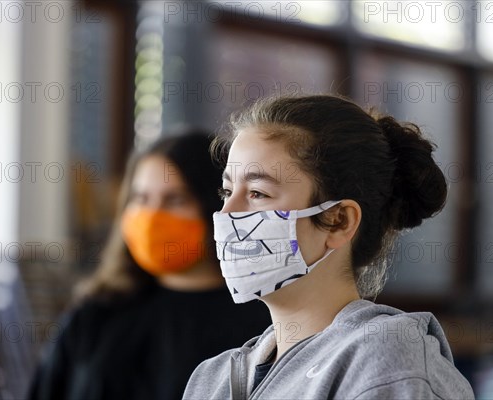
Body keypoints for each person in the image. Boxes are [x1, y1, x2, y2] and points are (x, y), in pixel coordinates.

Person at [183, 94, 475, 399]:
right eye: (227, 190)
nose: (227, 213)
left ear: (338, 221)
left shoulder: (387, 364)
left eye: (258, 193)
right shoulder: (211, 378)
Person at [28, 129, 270, 400]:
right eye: (141, 199)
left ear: (214, 206)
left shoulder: (263, 323)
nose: (153, 216)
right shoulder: (97, 313)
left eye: (175, 200)